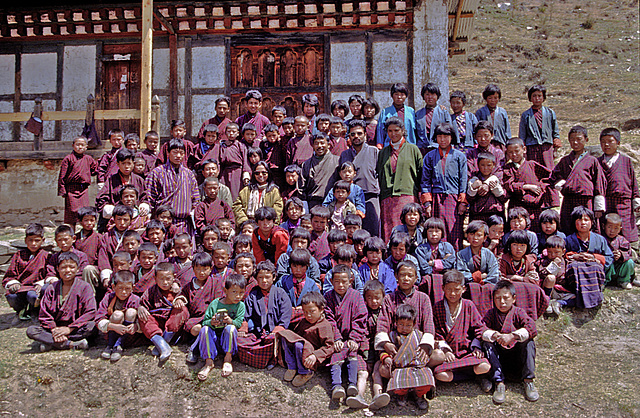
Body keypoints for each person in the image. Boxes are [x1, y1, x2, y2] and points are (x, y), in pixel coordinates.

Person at [375, 261, 438, 401]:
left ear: (416, 278)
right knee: (384, 370)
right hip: (397, 348)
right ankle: (402, 390)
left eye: (410, 275)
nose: (406, 278)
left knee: (438, 356)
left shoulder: (423, 298)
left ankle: (418, 392)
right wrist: (386, 344)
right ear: (396, 276)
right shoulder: (389, 299)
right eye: (402, 275)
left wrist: (424, 345)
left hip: (417, 347)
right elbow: (382, 323)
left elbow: (428, 324)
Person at [481, 280, 539, 403]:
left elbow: (531, 327)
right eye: (497, 298)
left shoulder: (519, 312)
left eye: (506, 298)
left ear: (513, 299)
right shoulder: (491, 314)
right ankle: (499, 382)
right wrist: (495, 335)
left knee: (529, 341)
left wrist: (513, 336)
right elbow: (481, 329)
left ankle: (528, 380)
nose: (502, 302)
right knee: (487, 343)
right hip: (499, 361)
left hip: (517, 359)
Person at [430, 270, 490, 384]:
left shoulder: (469, 306)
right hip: (449, 356)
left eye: (456, 290)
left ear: (463, 289)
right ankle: (471, 375)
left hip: (467, 353)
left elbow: (479, 327)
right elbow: (436, 333)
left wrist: (476, 348)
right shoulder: (437, 307)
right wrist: (446, 351)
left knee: (484, 366)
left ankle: (469, 373)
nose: (452, 294)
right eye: (449, 289)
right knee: (442, 375)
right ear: (443, 288)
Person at [26, 252, 96, 351]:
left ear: (78, 269)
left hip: (75, 329)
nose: (68, 270)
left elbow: (90, 311)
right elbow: (44, 314)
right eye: (63, 267)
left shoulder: (85, 287)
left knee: (91, 326)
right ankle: (70, 344)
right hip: (55, 329)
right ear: (58, 269)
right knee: (31, 330)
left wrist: (69, 329)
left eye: (72, 267)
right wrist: (54, 330)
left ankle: (51, 343)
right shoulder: (51, 288)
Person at [324, 265, 369, 408]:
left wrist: (354, 338)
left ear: (351, 281)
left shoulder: (356, 296)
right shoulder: (328, 297)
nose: (341, 285)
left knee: (352, 351)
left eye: (344, 281)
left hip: (353, 338)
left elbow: (361, 318)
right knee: (335, 353)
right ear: (331, 281)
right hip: (336, 338)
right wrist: (336, 338)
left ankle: (352, 384)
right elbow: (329, 320)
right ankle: (337, 385)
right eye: (337, 281)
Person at [549, 125, 606, 234]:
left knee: (586, 226)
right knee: (568, 226)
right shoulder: (565, 160)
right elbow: (554, 176)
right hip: (569, 200)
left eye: (579, 139)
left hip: (586, 200)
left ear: (586, 140)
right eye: (572, 140)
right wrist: (561, 183)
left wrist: (598, 207)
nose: (575, 143)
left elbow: (599, 182)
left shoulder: (592, 161)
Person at [420, 122, 468, 250]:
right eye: (440, 136)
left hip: (453, 199)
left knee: (454, 229)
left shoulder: (460, 156)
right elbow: (425, 181)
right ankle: (438, 257)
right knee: (437, 229)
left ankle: (454, 260)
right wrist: (427, 203)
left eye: (446, 136)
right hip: (436, 199)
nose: (443, 139)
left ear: (452, 137)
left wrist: (462, 202)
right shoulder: (429, 156)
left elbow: (464, 180)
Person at [238, 261, 292, 369]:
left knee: (276, 341)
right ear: (256, 279)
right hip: (257, 333)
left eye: (267, 277)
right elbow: (245, 314)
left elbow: (286, 315)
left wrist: (276, 330)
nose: (264, 281)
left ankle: (270, 358)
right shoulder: (253, 293)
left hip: (274, 334)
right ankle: (266, 358)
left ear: (274, 277)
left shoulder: (280, 293)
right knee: (238, 340)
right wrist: (243, 328)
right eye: (260, 277)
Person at [379, 303, 434, 410]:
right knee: (398, 384)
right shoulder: (392, 336)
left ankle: (418, 395)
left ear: (414, 324)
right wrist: (386, 358)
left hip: (417, 367)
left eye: (408, 325)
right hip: (400, 368)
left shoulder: (419, 335)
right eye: (401, 324)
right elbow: (381, 351)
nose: (404, 328)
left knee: (426, 381)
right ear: (396, 323)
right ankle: (402, 395)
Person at [377, 117, 423, 242]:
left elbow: (420, 174)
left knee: (408, 230)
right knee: (389, 232)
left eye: (396, 130)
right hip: (387, 198)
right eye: (390, 131)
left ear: (403, 130)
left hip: (407, 196)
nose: (393, 134)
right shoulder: (383, 153)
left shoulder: (413, 149)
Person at [193, 273, 246, 380]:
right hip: (214, 341)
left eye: (241, 293)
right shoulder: (215, 304)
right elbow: (205, 322)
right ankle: (209, 362)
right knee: (205, 329)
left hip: (227, 340)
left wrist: (230, 321)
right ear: (226, 291)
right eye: (234, 292)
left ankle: (227, 359)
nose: (238, 296)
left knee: (230, 328)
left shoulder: (240, 305)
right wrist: (211, 322)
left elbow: (239, 323)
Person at [278, 291, 335, 387]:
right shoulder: (304, 321)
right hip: (300, 352)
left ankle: (305, 372)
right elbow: (297, 334)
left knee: (299, 345)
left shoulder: (324, 326)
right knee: (285, 336)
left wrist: (315, 356)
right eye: (305, 312)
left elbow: (329, 346)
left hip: (311, 358)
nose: (308, 315)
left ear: (321, 310)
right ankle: (292, 366)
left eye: (312, 311)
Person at [137, 262, 190, 363]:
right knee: (143, 316)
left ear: (173, 277)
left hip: (172, 329)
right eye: (161, 279)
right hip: (157, 326)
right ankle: (161, 343)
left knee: (182, 310)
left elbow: (185, 299)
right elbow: (142, 302)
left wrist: (179, 300)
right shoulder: (151, 291)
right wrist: (141, 308)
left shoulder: (178, 290)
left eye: (168, 279)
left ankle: (163, 343)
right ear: (155, 278)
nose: (165, 282)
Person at [518, 84, 561, 207]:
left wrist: (556, 139)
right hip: (532, 148)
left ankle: (552, 200)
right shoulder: (526, 115)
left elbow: (555, 130)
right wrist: (523, 148)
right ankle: (536, 200)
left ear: (544, 98)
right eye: (534, 96)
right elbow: (522, 134)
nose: (537, 98)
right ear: (530, 98)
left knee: (549, 172)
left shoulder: (550, 113)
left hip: (547, 148)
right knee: (534, 173)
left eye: (539, 96)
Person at [145, 138, 200, 234]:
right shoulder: (157, 173)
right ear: (168, 152)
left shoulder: (189, 174)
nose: (178, 156)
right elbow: (150, 198)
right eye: (175, 152)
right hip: (162, 224)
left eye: (181, 153)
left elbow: (195, 198)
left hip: (184, 224)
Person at [598, 127, 640, 248]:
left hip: (623, 202)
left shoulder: (626, 161)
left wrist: (636, 198)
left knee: (625, 229)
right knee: (606, 230)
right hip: (605, 202)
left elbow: (633, 182)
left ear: (618, 143)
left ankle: (628, 254)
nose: (606, 144)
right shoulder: (597, 162)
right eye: (603, 141)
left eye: (610, 141)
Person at [564, 206, 613, 309]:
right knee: (575, 267)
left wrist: (593, 257)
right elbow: (563, 254)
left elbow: (609, 257)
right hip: (576, 271)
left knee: (595, 267)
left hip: (594, 270)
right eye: (579, 220)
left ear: (592, 222)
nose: (583, 223)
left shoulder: (600, 239)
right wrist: (575, 256)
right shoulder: (568, 239)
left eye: (586, 220)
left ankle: (593, 295)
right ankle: (584, 296)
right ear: (574, 222)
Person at [502, 138, 553, 233]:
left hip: (534, 207)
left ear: (524, 149)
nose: (514, 154)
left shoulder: (532, 165)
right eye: (510, 152)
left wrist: (540, 188)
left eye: (517, 151)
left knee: (535, 231)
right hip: (516, 206)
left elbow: (549, 177)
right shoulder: (507, 169)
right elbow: (508, 185)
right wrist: (527, 186)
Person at [340, 119, 381, 236]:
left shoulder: (374, 152)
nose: (356, 136)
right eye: (352, 134)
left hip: (370, 195)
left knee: (373, 231)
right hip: (350, 199)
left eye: (359, 133)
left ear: (365, 135)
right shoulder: (345, 154)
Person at [3, 223, 49, 319]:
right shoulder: (18, 255)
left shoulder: (46, 256)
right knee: (11, 296)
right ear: (25, 240)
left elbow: (50, 274)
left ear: (43, 241)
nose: (33, 244)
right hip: (20, 288)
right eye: (30, 240)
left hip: (35, 289)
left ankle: (35, 310)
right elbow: (9, 275)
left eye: (37, 240)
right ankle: (21, 310)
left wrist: (41, 284)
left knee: (32, 296)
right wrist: (13, 283)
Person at [96, 270, 140, 362]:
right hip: (111, 332)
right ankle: (110, 345)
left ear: (133, 288)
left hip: (129, 336)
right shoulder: (108, 298)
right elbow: (98, 319)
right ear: (113, 287)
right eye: (120, 288)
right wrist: (113, 326)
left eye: (127, 289)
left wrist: (136, 326)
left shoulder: (136, 300)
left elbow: (143, 320)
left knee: (131, 312)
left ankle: (118, 345)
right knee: (117, 314)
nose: (124, 292)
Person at [96, 148, 147, 220]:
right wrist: (112, 210)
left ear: (133, 163)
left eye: (129, 163)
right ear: (118, 164)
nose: (126, 167)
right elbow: (101, 200)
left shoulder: (139, 180)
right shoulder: (111, 180)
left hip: (135, 218)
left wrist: (143, 206)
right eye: (123, 163)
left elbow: (145, 197)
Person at [414, 217, 456, 304]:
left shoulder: (447, 246)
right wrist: (442, 262)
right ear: (426, 232)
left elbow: (450, 264)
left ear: (442, 233)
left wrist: (433, 263)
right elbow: (424, 269)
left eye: (437, 231)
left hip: (445, 278)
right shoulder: (420, 249)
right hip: (428, 280)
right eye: (430, 231)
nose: (434, 234)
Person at [58, 136, 97, 226]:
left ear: (86, 147)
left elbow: (95, 170)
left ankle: (84, 233)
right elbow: (62, 176)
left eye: (82, 145)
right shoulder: (68, 159)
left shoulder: (88, 159)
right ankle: (72, 233)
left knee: (84, 212)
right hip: (71, 189)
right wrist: (63, 190)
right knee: (72, 212)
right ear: (73, 145)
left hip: (83, 189)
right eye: (77, 145)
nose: (80, 147)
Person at [276, 249, 321, 322]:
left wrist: (304, 307)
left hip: (305, 317)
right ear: (290, 266)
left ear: (307, 267)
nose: (298, 270)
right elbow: (276, 298)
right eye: (295, 266)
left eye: (302, 267)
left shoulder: (312, 284)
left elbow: (317, 302)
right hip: (286, 316)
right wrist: (288, 307)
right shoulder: (283, 281)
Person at [97, 205, 133, 290]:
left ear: (131, 221)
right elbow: (103, 256)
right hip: (110, 269)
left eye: (125, 220)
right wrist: (106, 276)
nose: (122, 223)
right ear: (113, 219)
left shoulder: (133, 236)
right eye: (119, 219)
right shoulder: (107, 236)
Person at [212, 122, 251, 200]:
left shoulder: (241, 146)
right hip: (225, 172)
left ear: (237, 133)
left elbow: (245, 161)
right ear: (225, 133)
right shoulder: (221, 146)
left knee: (236, 194)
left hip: (237, 173)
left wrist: (246, 174)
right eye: (229, 131)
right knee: (223, 193)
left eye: (233, 131)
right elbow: (218, 160)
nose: (231, 133)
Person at [302, 133, 339, 210]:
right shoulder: (307, 164)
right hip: (313, 203)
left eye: (322, 143)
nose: (319, 146)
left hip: (333, 202)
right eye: (316, 143)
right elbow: (301, 187)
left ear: (328, 145)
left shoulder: (337, 161)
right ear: (312, 146)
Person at [467, 152, 507, 224]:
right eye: (482, 165)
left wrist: (495, 188)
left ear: (493, 165)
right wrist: (473, 188)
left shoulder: (497, 179)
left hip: (495, 213)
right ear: (478, 165)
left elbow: (503, 198)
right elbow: (470, 199)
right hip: (478, 215)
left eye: (489, 165)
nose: (485, 168)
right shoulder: (474, 179)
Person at [376, 83, 418, 148]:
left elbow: (415, 130)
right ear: (392, 96)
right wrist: (380, 144)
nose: (399, 97)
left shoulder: (411, 111)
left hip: (409, 145)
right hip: (390, 146)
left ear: (406, 96)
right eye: (396, 94)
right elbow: (380, 130)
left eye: (402, 95)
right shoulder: (385, 112)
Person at [602, 213, 637, 289]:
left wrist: (621, 255)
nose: (612, 231)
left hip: (618, 269)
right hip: (607, 269)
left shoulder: (622, 240)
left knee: (629, 262)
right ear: (603, 226)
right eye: (609, 227)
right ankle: (603, 282)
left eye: (616, 228)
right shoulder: (600, 239)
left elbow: (629, 253)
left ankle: (623, 281)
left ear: (620, 229)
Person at [416, 83, 453, 153]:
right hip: (422, 149)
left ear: (437, 96)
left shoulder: (443, 112)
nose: (430, 97)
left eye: (433, 94)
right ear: (423, 96)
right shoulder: (418, 114)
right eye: (427, 94)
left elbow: (449, 131)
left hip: (439, 148)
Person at [537, 235, 568, 315]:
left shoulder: (565, 262)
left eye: (556, 252)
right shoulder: (544, 261)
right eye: (550, 252)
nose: (553, 255)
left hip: (560, 289)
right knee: (551, 278)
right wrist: (553, 265)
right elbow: (542, 274)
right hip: (548, 287)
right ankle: (547, 301)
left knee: (576, 297)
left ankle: (559, 303)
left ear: (563, 252)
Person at [475, 84, 511, 148]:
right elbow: (477, 130)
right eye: (490, 98)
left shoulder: (502, 112)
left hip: (500, 143)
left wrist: (508, 144)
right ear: (485, 98)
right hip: (485, 144)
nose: (493, 100)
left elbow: (507, 130)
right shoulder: (480, 112)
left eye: (495, 98)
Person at [261, 123, 287, 189]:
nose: (272, 138)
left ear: (278, 134)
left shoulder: (281, 143)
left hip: (279, 171)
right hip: (268, 171)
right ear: (266, 136)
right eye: (269, 136)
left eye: (274, 135)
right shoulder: (264, 145)